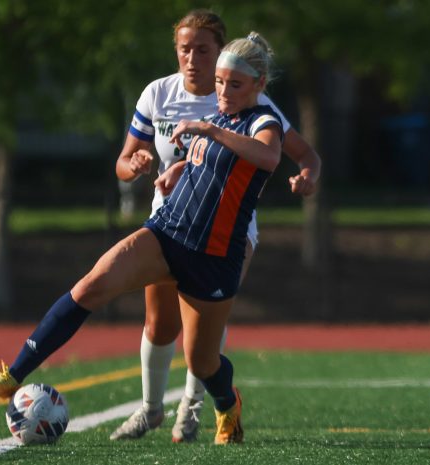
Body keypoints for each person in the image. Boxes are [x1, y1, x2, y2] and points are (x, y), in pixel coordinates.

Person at [0, 30, 300, 445]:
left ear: (259, 85)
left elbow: (268, 156)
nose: (223, 90)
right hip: (168, 232)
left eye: (234, 84)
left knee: (203, 360)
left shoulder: (262, 120)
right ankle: (13, 374)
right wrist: (178, 170)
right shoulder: (215, 118)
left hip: (216, 254)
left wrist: (210, 133)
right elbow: (205, 163)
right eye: (219, 82)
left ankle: (227, 405)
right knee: (92, 285)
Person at [111, 10, 321, 442]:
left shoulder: (245, 96)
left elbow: (302, 153)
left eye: (203, 50)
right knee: (159, 325)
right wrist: (135, 165)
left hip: (229, 229)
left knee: (202, 330)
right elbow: (123, 162)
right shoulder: (159, 93)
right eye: (184, 49)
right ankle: (150, 410)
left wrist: (307, 177)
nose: (193, 58)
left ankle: (190, 411)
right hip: (170, 221)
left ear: (220, 52)